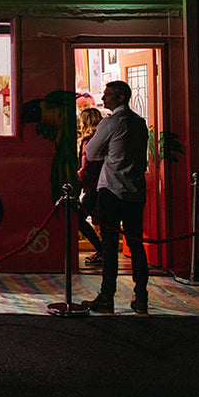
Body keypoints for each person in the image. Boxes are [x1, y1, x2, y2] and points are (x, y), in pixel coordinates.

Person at [81, 80, 150, 314]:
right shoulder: (140, 124)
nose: (103, 98)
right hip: (136, 191)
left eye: (108, 94)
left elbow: (91, 152)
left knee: (110, 245)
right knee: (136, 244)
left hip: (111, 190)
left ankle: (106, 296)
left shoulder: (111, 122)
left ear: (121, 97)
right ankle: (141, 296)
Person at [75, 108, 104, 264]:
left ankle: (101, 250)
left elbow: (87, 167)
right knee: (100, 221)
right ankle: (103, 252)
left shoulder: (88, 142)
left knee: (79, 220)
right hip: (102, 185)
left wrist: (78, 179)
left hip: (92, 187)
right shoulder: (101, 140)